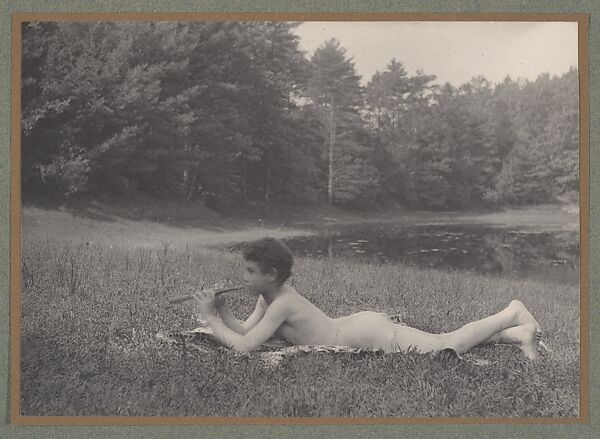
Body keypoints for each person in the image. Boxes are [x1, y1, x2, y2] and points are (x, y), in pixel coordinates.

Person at [194, 237, 543, 359]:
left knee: (443, 344)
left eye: (249, 271)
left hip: (365, 332)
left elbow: (244, 348)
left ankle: (511, 311)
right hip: (355, 328)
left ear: (270, 275)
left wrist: (209, 320)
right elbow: (243, 332)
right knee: (441, 344)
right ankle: (516, 334)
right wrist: (222, 311)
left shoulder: (283, 300)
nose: (243, 278)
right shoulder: (267, 300)